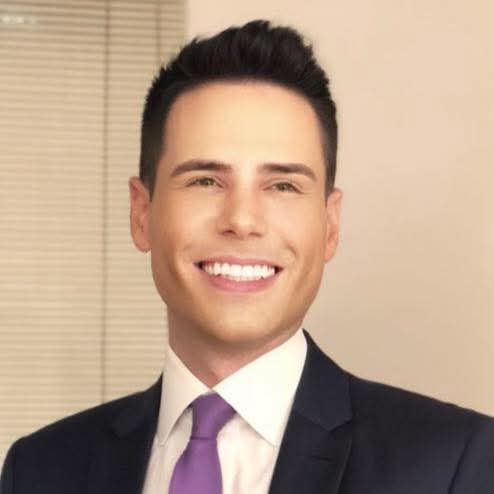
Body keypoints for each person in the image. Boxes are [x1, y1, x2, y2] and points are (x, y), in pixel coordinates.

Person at [1, 19, 493, 494]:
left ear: (330, 225)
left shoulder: (454, 464)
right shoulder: (39, 469)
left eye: (282, 185)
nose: (242, 219)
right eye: (205, 181)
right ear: (141, 212)